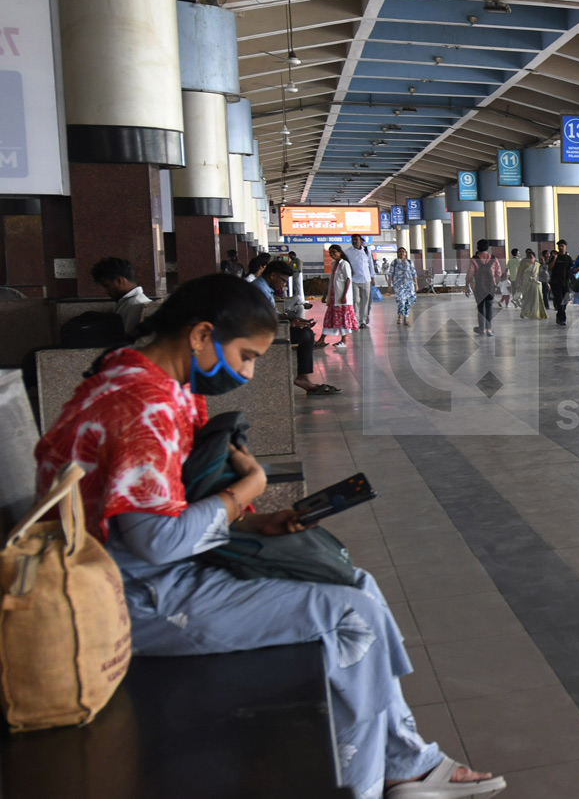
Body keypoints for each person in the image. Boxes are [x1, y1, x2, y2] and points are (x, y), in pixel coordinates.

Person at [34, 274, 504, 799]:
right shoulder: (145, 405)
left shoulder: (143, 379)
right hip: (125, 598)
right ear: (200, 334)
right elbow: (156, 543)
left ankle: (404, 762)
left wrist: (256, 521)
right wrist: (248, 491)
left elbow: (165, 509)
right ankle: (367, 781)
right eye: (246, 355)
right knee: (352, 616)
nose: (249, 372)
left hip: (136, 572)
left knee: (355, 583)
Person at [257, 260, 339, 394]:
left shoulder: (265, 288)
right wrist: (289, 323)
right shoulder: (258, 289)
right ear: (273, 275)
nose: (283, 284)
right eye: (283, 280)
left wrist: (291, 319)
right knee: (304, 335)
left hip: (267, 325)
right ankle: (303, 378)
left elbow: (272, 313)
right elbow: (260, 318)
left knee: (306, 333)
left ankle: (304, 377)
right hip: (258, 331)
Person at [91, 257, 152, 335]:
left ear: (120, 280)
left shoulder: (136, 304)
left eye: (107, 286)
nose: (106, 292)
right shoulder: (127, 302)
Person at [321, 244, 358, 349]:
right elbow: (331, 281)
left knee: (343, 319)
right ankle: (322, 339)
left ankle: (344, 340)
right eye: (330, 253)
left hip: (342, 297)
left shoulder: (344, 264)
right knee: (331, 319)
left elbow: (348, 280)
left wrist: (344, 295)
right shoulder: (334, 264)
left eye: (334, 252)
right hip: (334, 297)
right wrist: (325, 295)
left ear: (340, 252)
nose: (332, 255)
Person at [465, 239, 504, 337]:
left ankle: (482, 329)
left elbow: (469, 274)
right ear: (487, 248)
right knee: (489, 307)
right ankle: (489, 329)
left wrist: (467, 286)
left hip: (479, 287)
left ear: (478, 247)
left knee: (481, 307)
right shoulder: (494, 259)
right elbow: (499, 273)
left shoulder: (474, 259)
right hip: (490, 287)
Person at [344, 235, 374, 328]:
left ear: (361, 241)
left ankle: (363, 321)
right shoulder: (347, 252)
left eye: (356, 239)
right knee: (355, 300)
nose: (354, 241)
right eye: (353, 240)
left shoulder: (366, 251)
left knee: (365, 301)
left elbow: (370, 264)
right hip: (354, 280)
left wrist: (373, 277)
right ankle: (355, 320)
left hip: (366, 279)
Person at [390, 246, 418, 326]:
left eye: (403, 252)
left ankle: (406, 318)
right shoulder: (394, 262)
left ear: (406, 253)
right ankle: (400, 316)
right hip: (399, 285)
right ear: (397, 254)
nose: (401, 253)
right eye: (400, 252)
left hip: (409, 285)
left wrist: (416, 284)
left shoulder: (409, 262)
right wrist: (389, 284)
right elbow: (390, 273)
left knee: (408, 302)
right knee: (401, 301)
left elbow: (413, 273)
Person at [549, 241, 573, 326]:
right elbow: (550, 267)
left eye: (562, 246)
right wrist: (555, 258)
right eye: (559, 246)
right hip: (555, 282)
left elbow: (571, 269)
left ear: (566, 247)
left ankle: (559, 314)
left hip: (565, 282)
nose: (561, 247)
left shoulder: (568, 258)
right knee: (559, 301)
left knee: (565, 301)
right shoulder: (554, 256)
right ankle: (562, 319)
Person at [518, 249, 546, 320]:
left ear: (534, 257)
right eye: (528, 257)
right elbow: (519, 274)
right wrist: (517, 283)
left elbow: (543, 273)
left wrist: (543, 262)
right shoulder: (523, 265)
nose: (529, 258)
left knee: (535, 299)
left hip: (535, 284)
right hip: (526, 283)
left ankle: (536, 313)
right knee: (526, 299)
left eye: (531, 257)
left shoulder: (537, 265)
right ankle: (524, 312)